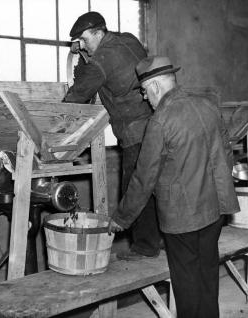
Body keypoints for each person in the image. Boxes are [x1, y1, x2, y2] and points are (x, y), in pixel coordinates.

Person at [108, 56, 240, 318]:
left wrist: (121, 218)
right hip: (214, 211)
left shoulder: (160, 121)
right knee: (207, 278)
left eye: (145, 91)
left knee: (187, 285)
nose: (146, 98)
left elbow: (143, 179)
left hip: (182, 219)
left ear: (155, 86)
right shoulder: (208, 106)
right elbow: (226, 151)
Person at [63, 11, 162, 260]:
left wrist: (55, 122)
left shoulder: (101, 62)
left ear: (98, 32)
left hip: (135, 133)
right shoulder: (128, 39)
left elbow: (77, 96)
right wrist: (86, 53)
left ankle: (144, 248)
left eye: (85, 39)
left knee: (134, 190)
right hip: (158, 123)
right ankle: (161, 240)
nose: (82, 45)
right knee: (158, 186)